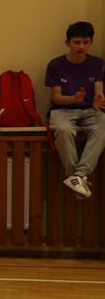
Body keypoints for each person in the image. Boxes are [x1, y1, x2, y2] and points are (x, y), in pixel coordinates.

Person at [45, 21, 105, 200]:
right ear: (67, 43)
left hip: (89, 110)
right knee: (64, 130)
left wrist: (99, 97)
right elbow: (56, 97)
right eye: (77, 42)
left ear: (91, 42)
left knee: (102, 127)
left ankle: (78, 175)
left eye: (85, 42)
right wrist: (73, 98)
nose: (81, 46)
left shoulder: (97, 63)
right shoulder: (56, 65)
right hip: (62, 110)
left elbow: (99, 90)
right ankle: (77, 179)